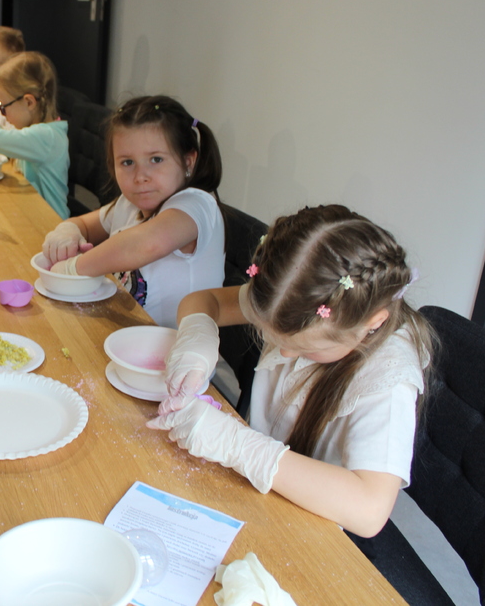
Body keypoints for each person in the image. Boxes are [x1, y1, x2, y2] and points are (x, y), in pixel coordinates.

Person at [150, 205, 435, 538]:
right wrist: (197, 337)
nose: (284, 353)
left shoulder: (389, 379)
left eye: (305, 349)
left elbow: (369, 511)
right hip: (257, 494)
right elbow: (203, 302)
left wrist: (237, 445)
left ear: (372, 324)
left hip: (315, 527)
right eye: (271, 337)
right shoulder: (293, 298)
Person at [41, 96, 225, 328]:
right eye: (127, 162)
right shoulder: (129, 204)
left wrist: (73, 268)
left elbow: (148, 243)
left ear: (188, 162)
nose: (140, 177)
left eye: (156, 159)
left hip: (174, 347)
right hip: (123, 334)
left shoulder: (197, 204)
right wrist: (67, 231)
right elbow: (85, 225)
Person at [0, 52, 69, 218]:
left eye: (3, 107)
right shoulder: (39, 131)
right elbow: (9, 138)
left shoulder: (47, 137)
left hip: (50, 223)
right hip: (33, 214)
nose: (2, 114)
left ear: (29, 102)